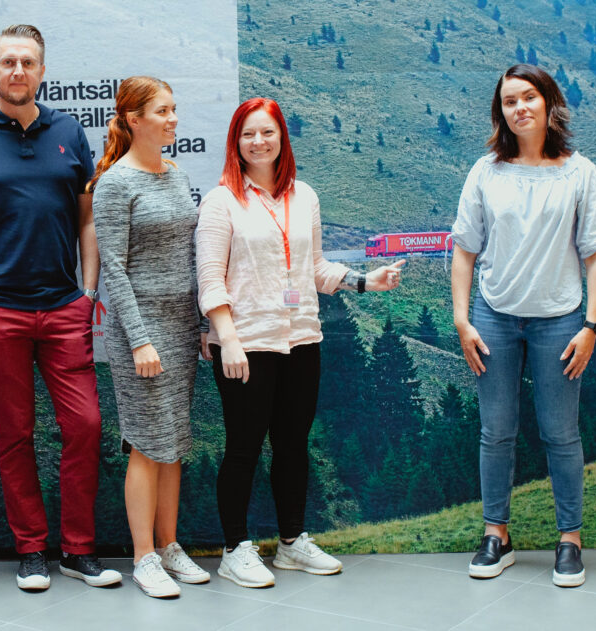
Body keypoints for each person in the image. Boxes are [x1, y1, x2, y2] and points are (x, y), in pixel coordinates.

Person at [0, 24, 120, 590]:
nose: (18, 70)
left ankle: (79, 550)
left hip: (65, 307)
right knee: (15, 433)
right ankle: (33, 549)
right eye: (8, 61)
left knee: (85, 427)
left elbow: (87, 218)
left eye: (28, 62)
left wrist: (87, 293)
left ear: (42, 71)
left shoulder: (69, 131)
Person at [196, 97, 405, 588]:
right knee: (244, 449)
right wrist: (227, 339)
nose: (258, 142)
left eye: (267, 132)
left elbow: (314, 270)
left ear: (281, 138)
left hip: (302, 339)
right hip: (246, 343)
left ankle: (291, 543)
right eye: (248, 134)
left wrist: (364, 281)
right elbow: (210, 279)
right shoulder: (221, 200)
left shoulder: (304, 196)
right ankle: (234, 549)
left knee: (292, 447)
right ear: (236, 142)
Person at [450, 64, 596, 588]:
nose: (519, 108)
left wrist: (590, 325)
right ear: (500, 112)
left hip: (561, 320)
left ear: (548, 104)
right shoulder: (485, 171)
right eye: (509, 101)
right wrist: (461, 317)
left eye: (528, 98)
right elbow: (464, 250)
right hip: (494, 318)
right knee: (496, 432)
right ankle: (497, 535)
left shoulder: (579, 172)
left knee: (561, 434)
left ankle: (570, 539)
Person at [89, 76, 210, 598]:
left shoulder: (177, 175)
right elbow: (112, 268)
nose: (173, 119)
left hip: (182, 327)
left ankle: (169, 545)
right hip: (140, 330)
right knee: (145, 442)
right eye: (163, 111)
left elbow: (189, 256)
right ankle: (143, 557)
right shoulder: (115, 184)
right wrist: (139, 339)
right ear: (133, 119)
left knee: (174, 442)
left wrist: (203, 325)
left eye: (175, 109)